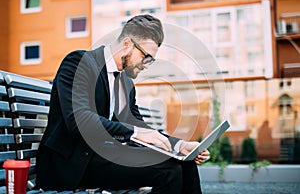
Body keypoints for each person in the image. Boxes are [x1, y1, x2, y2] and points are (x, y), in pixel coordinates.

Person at [36, 14, 210, 194]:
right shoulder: (79, 63)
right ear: (127, 44)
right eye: (146, 57)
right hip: (72, 162)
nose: (147, 65)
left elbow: (137, 124)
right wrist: (134, 132)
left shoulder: (126, 82)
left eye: (151, 60)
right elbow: (79, 120)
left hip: (105, 155)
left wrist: (178, 145)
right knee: (168, 171)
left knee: (185, 164)